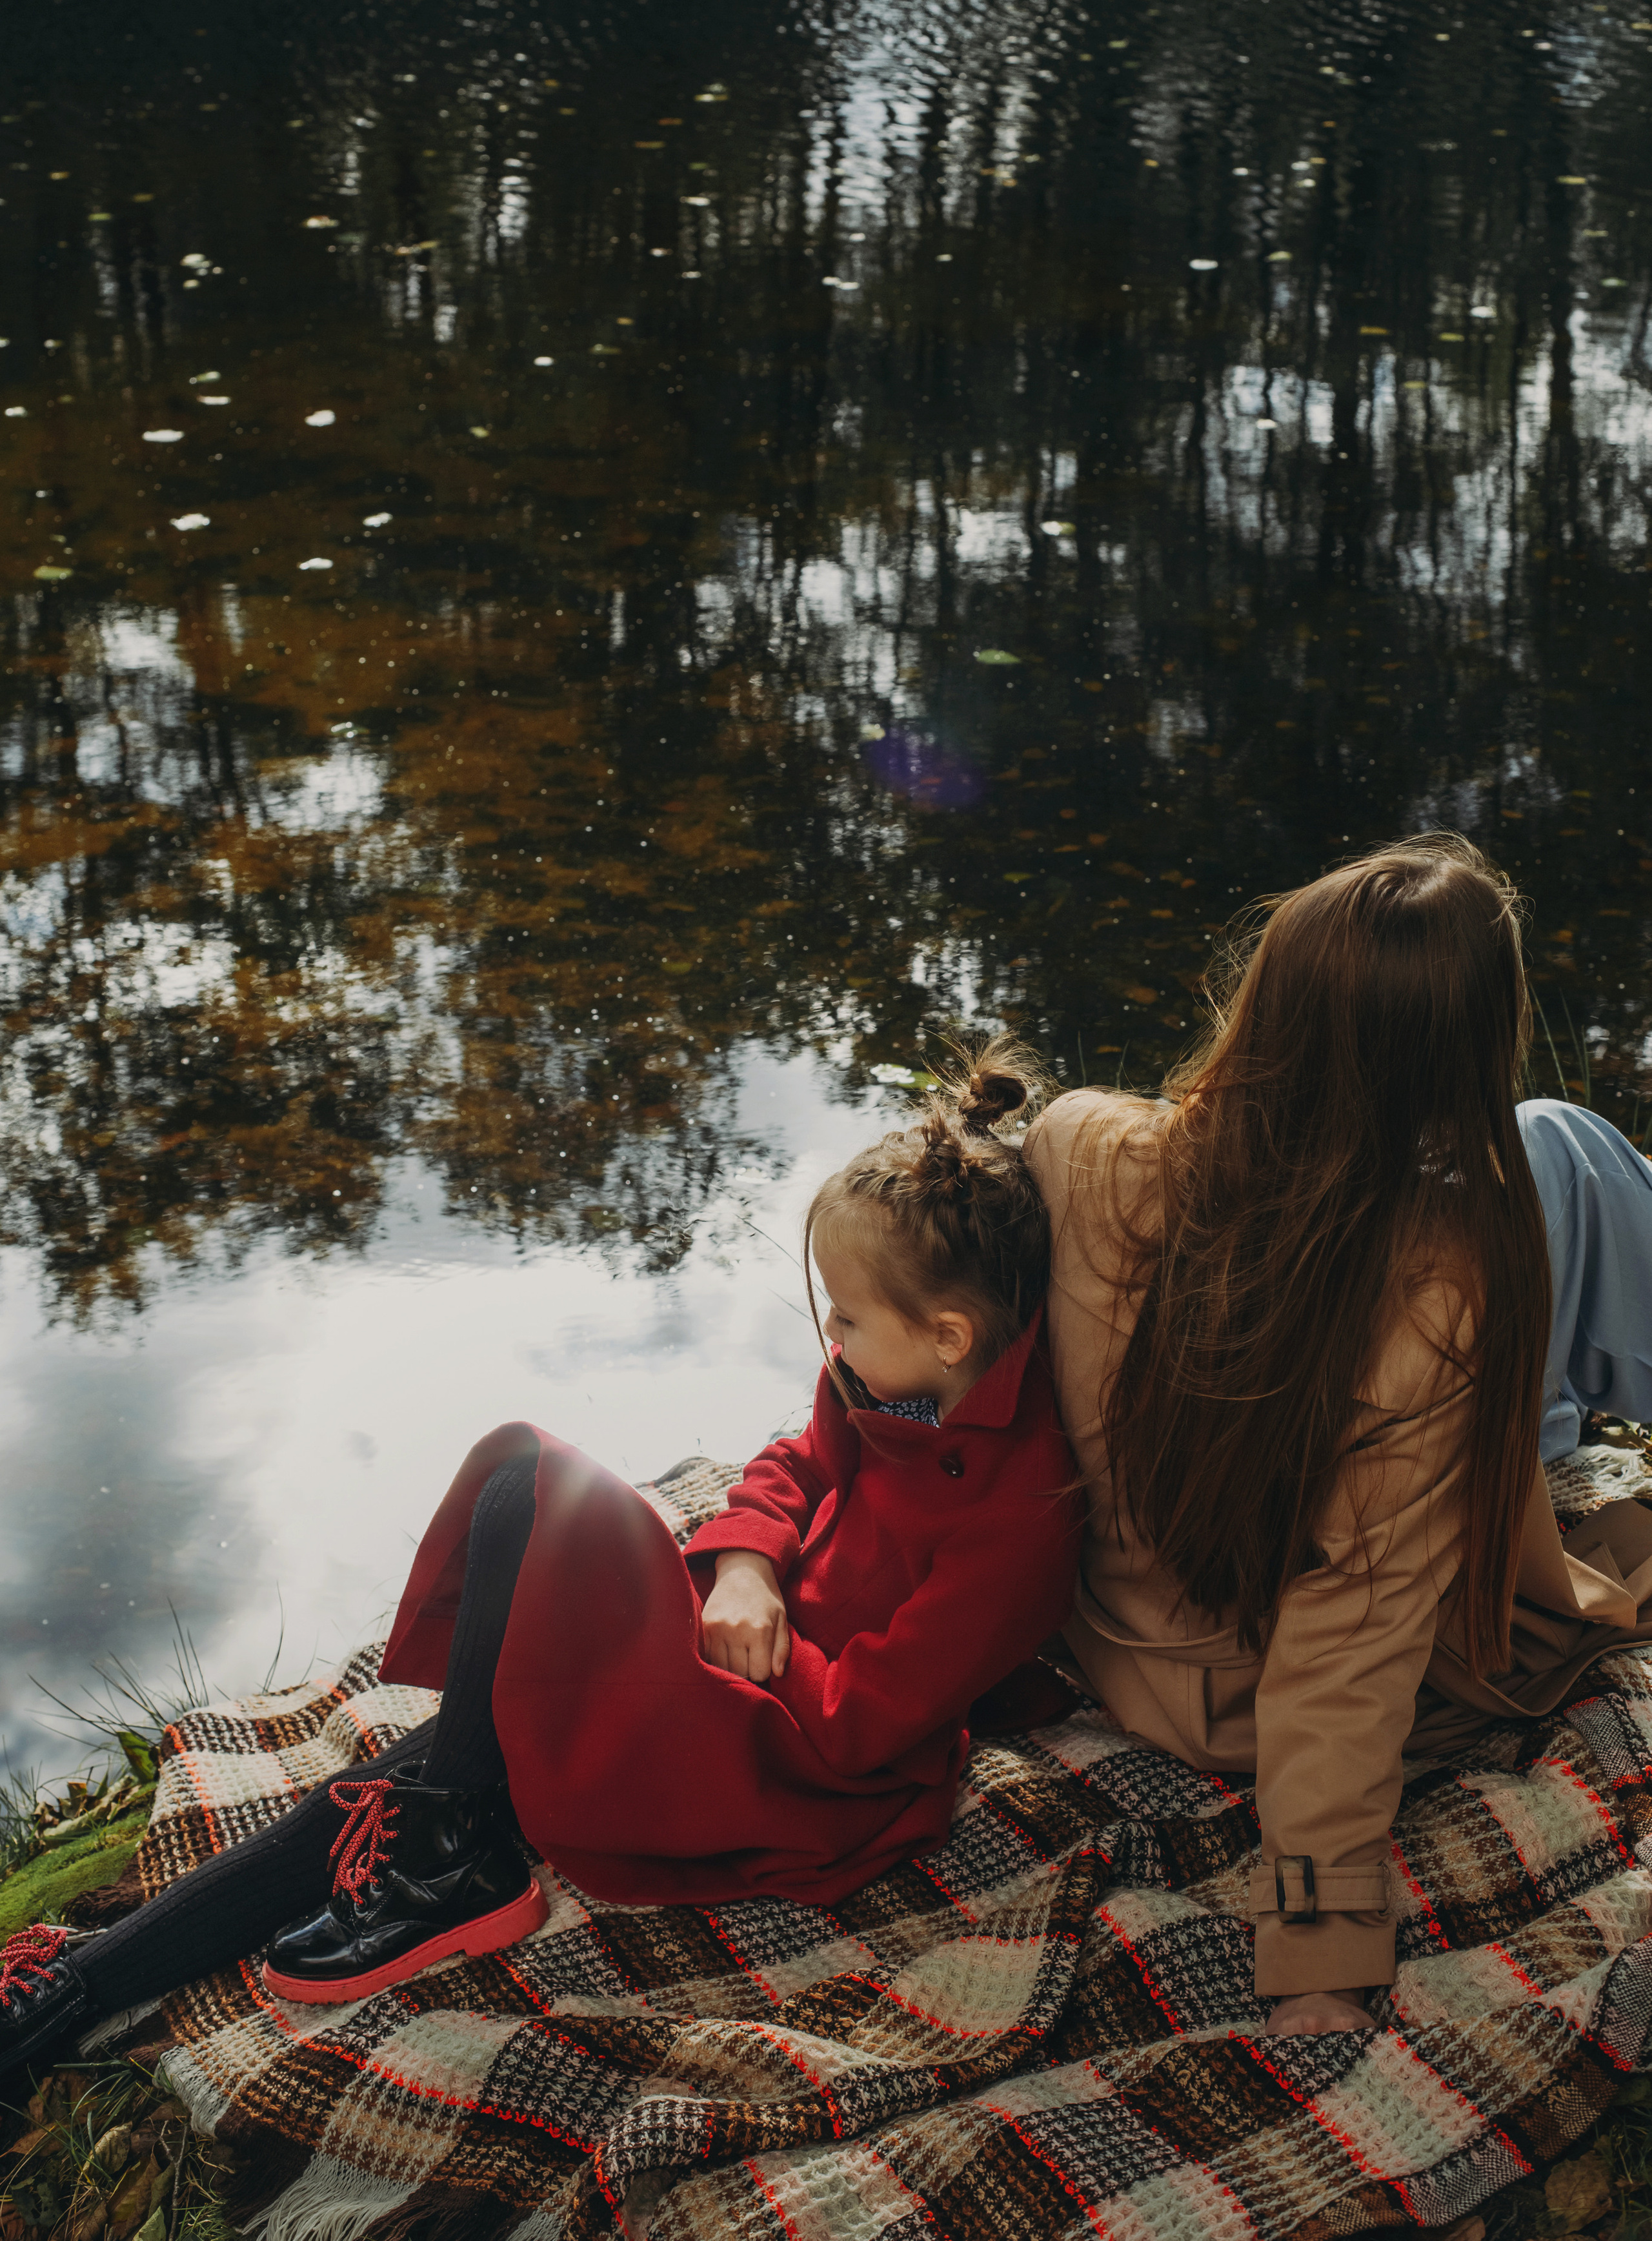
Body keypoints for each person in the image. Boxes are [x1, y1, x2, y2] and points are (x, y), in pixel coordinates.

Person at [0, 1044, 1080, 2070]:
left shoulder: (1023, 1520)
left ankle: (446, 1862)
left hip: (787, 1754)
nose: (829, 1341)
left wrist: (724, 1640)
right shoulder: (888, 1378)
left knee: (530, 1487)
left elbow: (861, 1726)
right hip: (732, 1658)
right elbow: (790, 1466)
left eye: (846, 1318)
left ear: (948, 1333)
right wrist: (745, 1569)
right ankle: (75, 1996)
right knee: (432, 1771)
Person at [1023, 833, 1652, 2040]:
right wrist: (1318, 1946)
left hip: (1120, 1636)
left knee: (1546, 1150)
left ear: (1267, 997)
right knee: (1555, 1152)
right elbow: (1347, 1638)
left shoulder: (1078, 1149)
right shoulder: (1439, 1295)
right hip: (1247, 1689)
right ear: (1458, 1054)